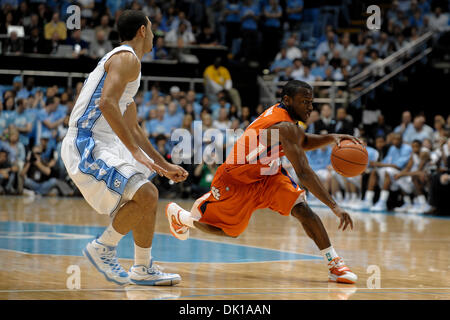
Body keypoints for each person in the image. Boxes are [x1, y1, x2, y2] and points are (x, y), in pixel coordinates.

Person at [166, 80, 360, 284]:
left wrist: (331, 138)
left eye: (311, 102)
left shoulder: (288, 121)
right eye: (305, 102)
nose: (310, 107)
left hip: (268, 174)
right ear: (287, 100)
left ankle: (334, 264)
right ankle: (182, 217)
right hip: (237, 178)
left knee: (302, 209)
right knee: (230, 232)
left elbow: (301, 140)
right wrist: (335, 206)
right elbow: (303, 173)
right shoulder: (281, 124)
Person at [60, 10, 188, 286]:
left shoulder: (130, 65)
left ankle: (142, 268)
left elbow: (134, 128)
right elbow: (105, 104)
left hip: (103, 142)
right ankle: (103, 247)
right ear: (142, 30)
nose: (155, 35)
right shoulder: (126, 58)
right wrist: (135, 153)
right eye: (152, 29)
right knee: (147, 193)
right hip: (87, 141)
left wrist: (163, 166)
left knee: (148, 195)